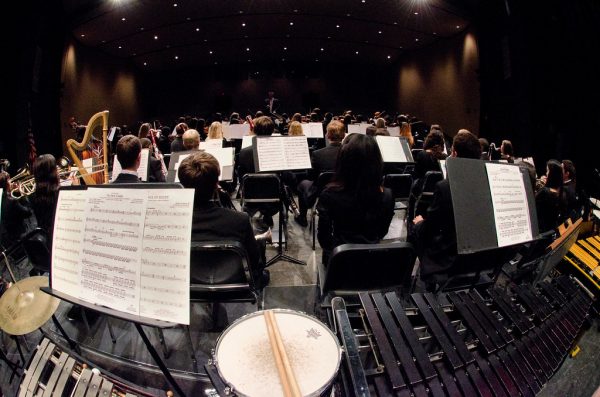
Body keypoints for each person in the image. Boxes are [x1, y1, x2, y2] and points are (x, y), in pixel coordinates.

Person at [177, 151, 269, 288]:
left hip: (189, 285)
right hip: (236, 285)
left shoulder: (174, 223)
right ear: (216, 184)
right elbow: (254, 262)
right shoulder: (240, 220)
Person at [411, 129, 481, 281]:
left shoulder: (445, 187)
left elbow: (431, 229)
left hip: (448, 261)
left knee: (416, 228)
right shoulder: (484, 185)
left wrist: (419, 223)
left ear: (454, 154)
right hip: (477, 257)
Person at [317, 134, 395, 265]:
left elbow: (324, 239)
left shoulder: (329, 194)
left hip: (339, 262)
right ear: (376, 161)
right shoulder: (387, 194)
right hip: (372, 261)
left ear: (344, 161)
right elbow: (382, 232)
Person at [296, 120, 346, 227]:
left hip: (322, 191)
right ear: (343, 135)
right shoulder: (351, 153)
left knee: (302, 184)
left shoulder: (318, 154)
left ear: (327, 135)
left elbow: (311, 176)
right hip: (345, 189)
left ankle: (302, 217)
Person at [29, 154, 60, 247]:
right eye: (55, 166)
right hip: (59, 238)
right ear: (52, 171)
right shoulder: (60, 193)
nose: (58, 168)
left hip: (45, 240)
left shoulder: (32, 196)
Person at [0, 171, 32, 249]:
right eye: (9, 180)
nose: (11, 182)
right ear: (7, 183)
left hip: (5, 238)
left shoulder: (3, 198)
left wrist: (9, 192)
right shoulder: (12, 201)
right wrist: (23, 193)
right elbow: (28, 212)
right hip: (17, 239)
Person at [535, 159, 565, 232]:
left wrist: (543, 187)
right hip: (551, 228)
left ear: (552, 174)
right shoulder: (561, 191)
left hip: (540, 229)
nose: (546, 173)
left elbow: (533, 203)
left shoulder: (544, 192)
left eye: (548, 171)